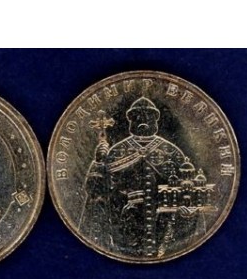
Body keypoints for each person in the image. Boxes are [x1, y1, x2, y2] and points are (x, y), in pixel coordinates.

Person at [80, 97, 205, 258]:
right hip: (126, 223)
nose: (143, 121)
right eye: (137, 117)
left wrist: (186, 210)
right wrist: (98, 162)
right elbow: (96, 191)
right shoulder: (117, 151)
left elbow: (188, 187)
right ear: (130, 121)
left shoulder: (171, 151)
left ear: (155, 121)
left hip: (164, 221)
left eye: (148, 117)